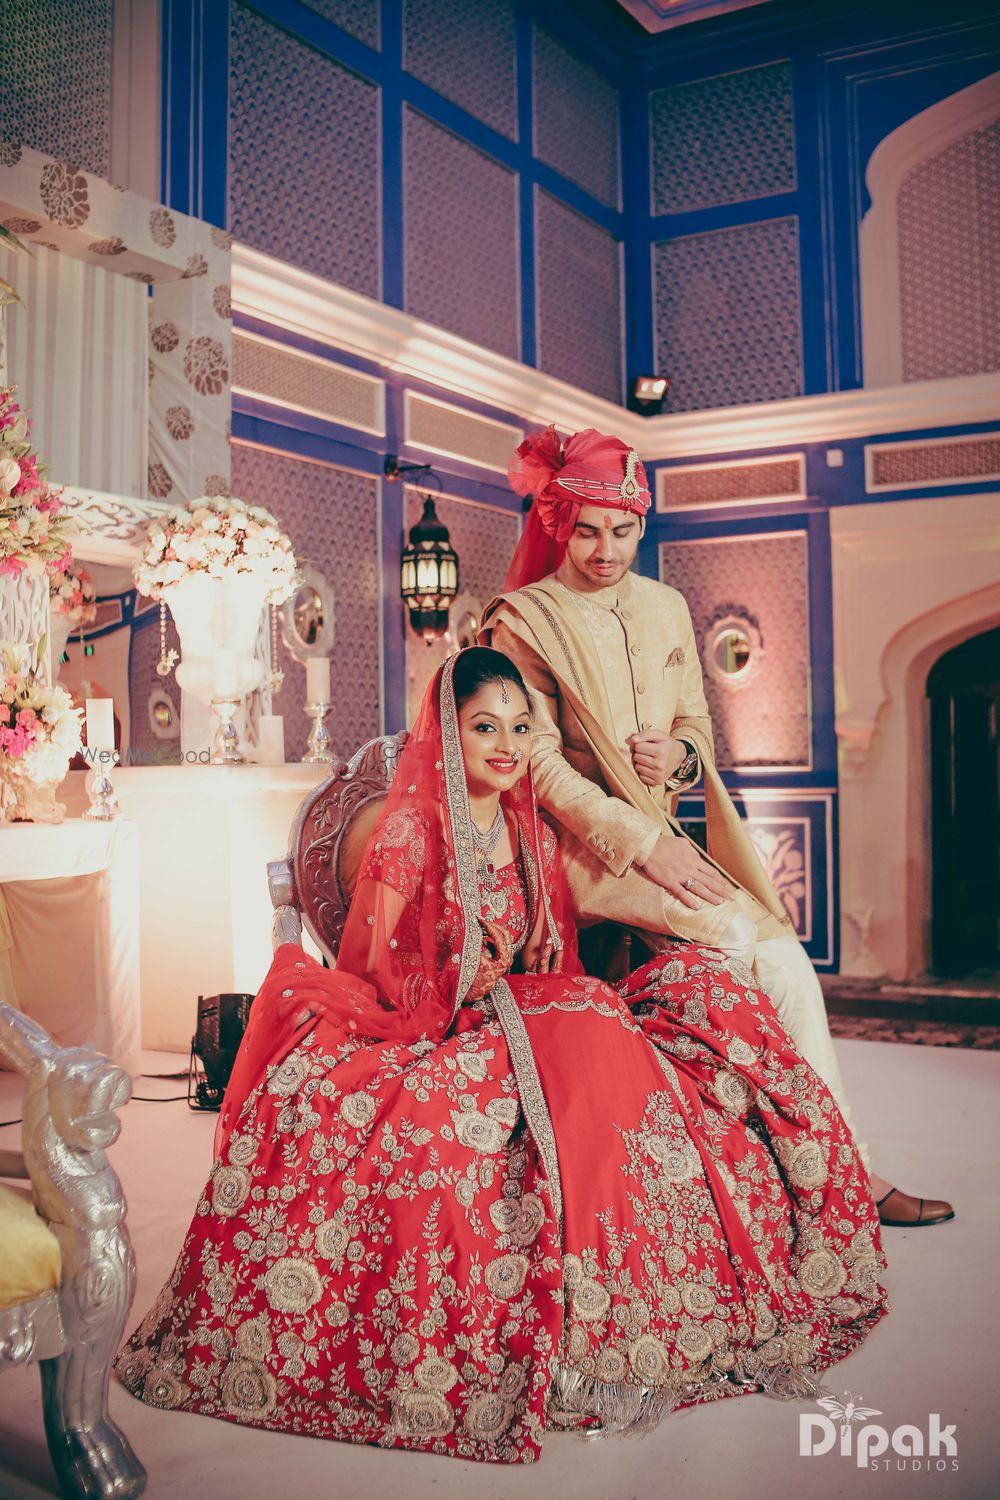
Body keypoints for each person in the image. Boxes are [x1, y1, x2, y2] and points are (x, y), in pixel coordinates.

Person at [115, 648, 886, 1463]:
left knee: (672, 1009)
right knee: (568, 1041)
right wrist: (455, 982)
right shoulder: (414, 831)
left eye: (521, 728)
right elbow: (374, 968)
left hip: (525, 1013)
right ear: (450, 732)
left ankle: (640, 1300)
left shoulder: (524, 824)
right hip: (438, 1030)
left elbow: (548, 950)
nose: (507, 744)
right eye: (486, 727)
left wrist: (518, 984)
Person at [481, 427, 952, 1231]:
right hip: (583, 853)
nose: (605, 549)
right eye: (588, 529)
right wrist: (643, 844)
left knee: (789, 965)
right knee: (734, 943)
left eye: (623, 530)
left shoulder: (666, 607)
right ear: (559, 522)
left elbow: (697, 726)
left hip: (666, 841)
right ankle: (760, 1182)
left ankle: (845, 1179)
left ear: (641, 525)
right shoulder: (528, 618)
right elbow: (538, 765)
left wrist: (682, 756)